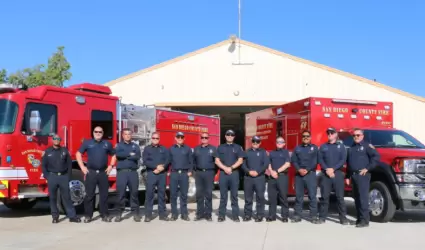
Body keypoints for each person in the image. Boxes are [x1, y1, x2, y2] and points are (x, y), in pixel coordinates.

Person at [76, 126, 116, 223]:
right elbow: (78, 154)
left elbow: (114, 155)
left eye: (100, 132)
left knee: (104, 195)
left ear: (102, 133)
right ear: (93, 132)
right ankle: (88, 216)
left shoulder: (107, 144)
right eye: (96, 131)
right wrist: (82, 167)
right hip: (91, 172)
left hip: (103, 172)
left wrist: (111, 166)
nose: (98, 133)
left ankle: (104, 215)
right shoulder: (87, 143)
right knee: (89, 195)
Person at [42, 134, 81, 223]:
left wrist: (68, 176)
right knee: (53, 198)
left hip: (63, 177)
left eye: (58, 139)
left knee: (67, 197)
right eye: (55, 139)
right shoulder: (47, 152)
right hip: (52, 177)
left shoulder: (64, 151)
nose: (56, 140)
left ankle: (72, 216)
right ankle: (55, 217)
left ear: (60, 140)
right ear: (52, 140)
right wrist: (47, 176)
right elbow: (44, 165)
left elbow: (69, 164)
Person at [347, 128, 380, 228]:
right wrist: (348, 176)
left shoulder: (367, 146)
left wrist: (367, 168)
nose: (356, 137)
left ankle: (365, 220)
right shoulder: (352, 147)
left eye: (358, 135)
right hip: (354, 175)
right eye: (354, 135)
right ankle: (359, 219)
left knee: (363, 198)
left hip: (363, 175)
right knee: (357, 198)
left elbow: (376, 157)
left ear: (362, 136)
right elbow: (349, 163)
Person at [318, 127, 350, 225]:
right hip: (325, 174)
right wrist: (327, 169)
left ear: (336, 134)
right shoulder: (323, 146)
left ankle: (343, 218)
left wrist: (333, 169)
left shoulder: (341, 147)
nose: (330, 134)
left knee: (340, 197)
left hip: (338, 174)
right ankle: (322, 217)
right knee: (324, 197)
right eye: (328, 133)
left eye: (332, 133)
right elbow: (320, 159)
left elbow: (343, 159)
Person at [215, 129, 245, 222]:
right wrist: (225, 168)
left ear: (234, 137)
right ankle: (221, 215)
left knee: (234, 196)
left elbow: (240, 160)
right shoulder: (220, 147)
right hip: (223, 173)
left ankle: (235, 216)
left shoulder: (238, 147)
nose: (230, 136)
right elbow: (217, 160)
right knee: (223, 196)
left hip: (234, 173)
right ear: (225, 136)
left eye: (232, 135)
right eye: (228, 134)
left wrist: (231, 168)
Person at [291, 130, 320, 224]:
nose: (305, 137)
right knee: (299, 196)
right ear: (301, 137)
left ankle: (313, 216)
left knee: (312, 196)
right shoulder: (297, 148)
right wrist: (299, 169)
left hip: (310, 174)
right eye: (304, 136)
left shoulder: (314, 148)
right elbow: (294, 161)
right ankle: (297, 215)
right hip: (299, 175)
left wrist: (307, 169)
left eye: (307, 136)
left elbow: (315, 161)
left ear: (310, 137)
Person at [113, 128, 142, 222]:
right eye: (125, 134)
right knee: (120, 194)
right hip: (122, 172)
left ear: (131, 135)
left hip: (133, 172)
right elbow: (118, 154)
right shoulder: (118, 145)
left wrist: (125, 155)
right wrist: (130, 154)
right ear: (122, 135)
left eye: (129, 134)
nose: (127, 135)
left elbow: (137, 156)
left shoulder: (135, 146)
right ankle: (119, 214)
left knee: (134, 193)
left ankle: (136, 213)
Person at [142, 132, 170, 222]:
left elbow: (168, 159)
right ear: (151, 139)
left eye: (157, 138)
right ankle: (148, 215)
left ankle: (162, 214)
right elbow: (145, 161)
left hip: (162, 174)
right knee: (149, 195)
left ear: (159, 139)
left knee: (162, 195)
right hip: (151, 173)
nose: (155, 140)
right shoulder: (147, 149)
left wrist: (162, 167)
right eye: (153, 138)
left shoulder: (164, 149)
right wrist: (155, 167)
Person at [242, 135, 269, 222]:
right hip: (248, 178)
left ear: (260, 143)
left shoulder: (263, 152)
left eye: (257, 142)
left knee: (260, 197)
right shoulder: (246, 152)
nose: (255, 143)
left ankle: (260, 215)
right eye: (253, 141)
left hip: (259, 178)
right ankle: (247, 215)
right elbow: (243, 164)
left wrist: (258, 172)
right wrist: (249, 171)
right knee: (248, 198)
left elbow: (265, 164)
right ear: (251, 142)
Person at [169, 132, 193, 221]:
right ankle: (174, 214)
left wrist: (190, 171)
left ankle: (184, 214)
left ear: (184, 138)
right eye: (178, 137)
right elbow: (168, 161)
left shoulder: (187, 149)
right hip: (174, 174)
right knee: (173, 195)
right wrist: (168, 171)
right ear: (175, 138)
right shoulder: (171, 149)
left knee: (184, 195)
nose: (180, 138)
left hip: (184, 174)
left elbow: (191, 161)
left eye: (181, 137)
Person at [193, 132, 217, 221]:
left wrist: (213, 172)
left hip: (209, 173)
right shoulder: (196, 149)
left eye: (206, 137)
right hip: (199, 173)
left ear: (208, 139)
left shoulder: (213, 149)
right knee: (199, 194)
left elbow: (216, 162)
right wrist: (195, 171)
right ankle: (199, 214)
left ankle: (208, 214)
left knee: (208, 194)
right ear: (200, 138)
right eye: (202, 137)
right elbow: (193, 161)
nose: (204, 139)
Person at [267, 136, 291, 222]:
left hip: (282, 176)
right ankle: (271, 216)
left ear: (284, 144)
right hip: (272, 177)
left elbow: (287, 164)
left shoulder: (286, 152)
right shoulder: (272, 153)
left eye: (281, 142)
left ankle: (284, 216)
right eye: (277, 142)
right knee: (272, 197)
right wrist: (271, 172)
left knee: (283, 197)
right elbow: (269, 164)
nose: (279, 143)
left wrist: (276, 171)